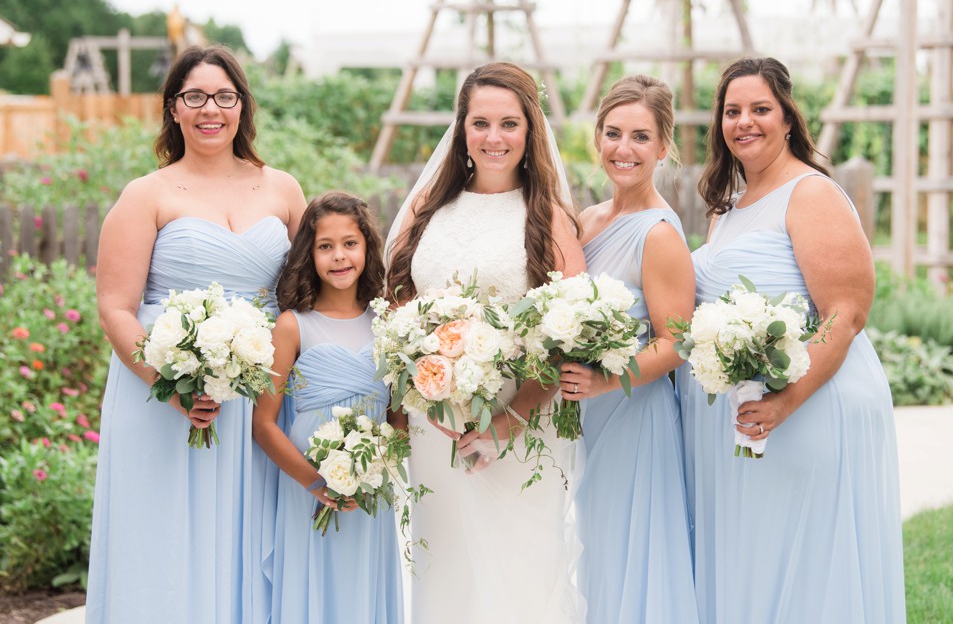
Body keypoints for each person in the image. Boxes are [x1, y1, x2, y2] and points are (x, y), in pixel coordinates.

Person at [677, 57, 906, 623]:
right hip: (748, 414)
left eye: (759, 109)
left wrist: (786, 401)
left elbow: (845, 313)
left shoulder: (811, 194)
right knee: (755, 562)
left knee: (801, 565)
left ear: (787, 118)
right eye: (732, 111)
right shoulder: (728, 210)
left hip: (808, 406)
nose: (744, 122)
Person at [86, 45, 308, 624]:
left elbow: (310, 295)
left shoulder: (282, 189)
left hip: (259, 396)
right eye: (195, 96)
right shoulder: (146, 194)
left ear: (242, 107)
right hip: (166, 395)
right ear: (174, 110)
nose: (211, 109)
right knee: (165, 537)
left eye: (224, 96)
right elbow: (115, 307)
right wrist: (170, 383)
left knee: (251, 529)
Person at [385, 61, 587, 624]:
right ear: (462, 130)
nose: (493, 138)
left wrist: (506, 422)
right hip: (435, 426)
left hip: (517, 430)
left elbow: (569, 335)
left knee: (516, 576)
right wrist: (417, 401)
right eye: (480, 123)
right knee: (444, 572)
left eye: (509, 124)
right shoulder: (427, 210)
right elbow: (398, 304)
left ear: (530, 132)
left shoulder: (548, 220)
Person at [559, 75, 698, 623]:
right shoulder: (589, 220)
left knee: (627, 550)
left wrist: (604, 381)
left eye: (640, 137)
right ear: (597, 138)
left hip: (634, 414)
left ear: (663, 146)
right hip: (585, 413)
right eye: (613, 133)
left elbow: (678, 343)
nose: (623, 148)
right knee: (592, 551)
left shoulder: (659, 234)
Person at [252, 192, 402, 624]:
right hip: (306, 485)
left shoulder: (387, 324)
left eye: (350, 243)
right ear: (309, 254)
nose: (339, 256)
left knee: (362, 588)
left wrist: (373, 468)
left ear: (367, 248)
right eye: (325, 246)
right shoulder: (292, 325)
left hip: (370, 488)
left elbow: (398, 419)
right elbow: (263, 424)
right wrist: (316, 482)